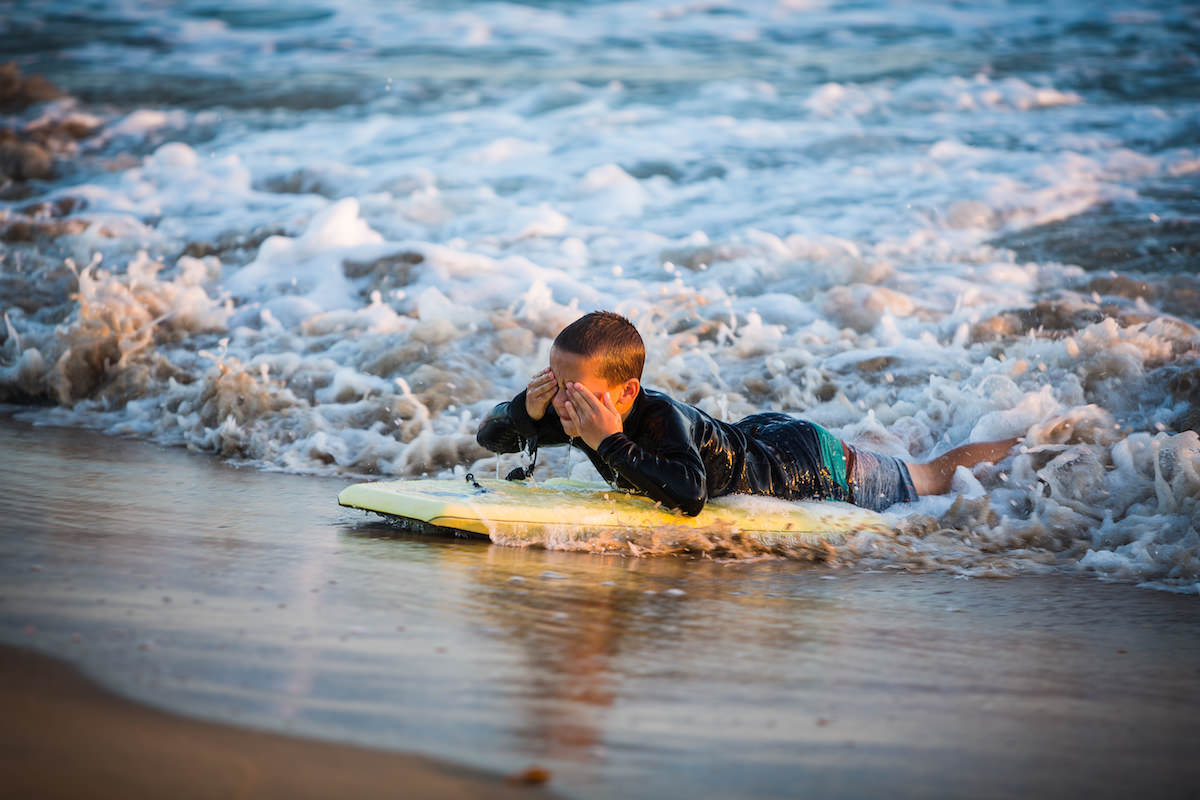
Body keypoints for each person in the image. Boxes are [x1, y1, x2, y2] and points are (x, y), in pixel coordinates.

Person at [476, 311, 1018, 516]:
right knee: (893, 457)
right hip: (756, 437)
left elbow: (689, 497)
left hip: (803, 463)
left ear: (625, 392)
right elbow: (493, 440)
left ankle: (1026, 448)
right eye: (554, 380)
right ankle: (892, 438)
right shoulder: (579, 410)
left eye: (574, 388)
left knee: (930, 478)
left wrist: (610, 442)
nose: (563, 400)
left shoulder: (660, 418)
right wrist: (526, 408)